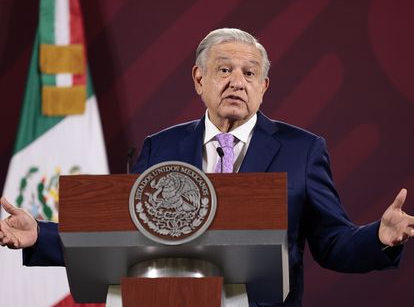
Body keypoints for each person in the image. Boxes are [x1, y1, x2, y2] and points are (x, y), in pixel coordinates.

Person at [0, 28, 413, 307]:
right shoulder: (160, 147)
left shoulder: (302, 150)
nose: (238, 81)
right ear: (199, 80)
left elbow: (332, 243)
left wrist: (379, 236)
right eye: (224, 70)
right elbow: (122, 234)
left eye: (250, 73)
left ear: (264, 86)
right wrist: (41, 235)